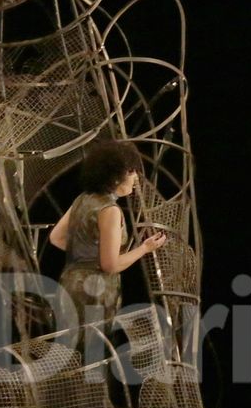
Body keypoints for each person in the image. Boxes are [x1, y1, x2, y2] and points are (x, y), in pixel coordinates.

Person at [48, 140, 168, 340]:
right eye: (131, 171)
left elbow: (56, 237)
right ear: (115, 176)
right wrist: (145, 248)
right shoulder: (110, 210)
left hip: (69, 286)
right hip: (94, 292)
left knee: (68, 349)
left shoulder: (82, 199)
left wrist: (86, 254)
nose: (136, 177)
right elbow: (110, 265)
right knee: (90, 351)